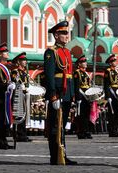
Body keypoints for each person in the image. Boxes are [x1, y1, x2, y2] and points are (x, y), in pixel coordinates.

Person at [44, 21, 77, 165]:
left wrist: (73, 94)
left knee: (62, 126)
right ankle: (55, 156)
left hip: (67, 92)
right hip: (57, 93)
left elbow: (70, 74)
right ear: (56, 35)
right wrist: (52, 95)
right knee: (55, 126)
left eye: (67, 32)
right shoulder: (51, 52)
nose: (66, 35)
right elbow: (49, 76)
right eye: (63, 33)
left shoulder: (67, 52)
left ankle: (62, 153)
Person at [0, 43, 15, 149]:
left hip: (6, 98)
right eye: (5, 52)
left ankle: (4, 141)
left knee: (5, 121)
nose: (7, 53)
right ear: (0, 54)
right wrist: (7, 85)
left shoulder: (6, 67)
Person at [10, 51, 31, 142]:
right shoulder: (15, 71)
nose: (25, 62)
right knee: (18, 114)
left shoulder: (24, 73)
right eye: (23, 60)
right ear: (18, 61)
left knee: (24, 114)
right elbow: (14, 82)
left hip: (25, 95)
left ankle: (23, 133)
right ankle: (17, 134)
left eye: (25, 60)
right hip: (18, 96)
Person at [73, 55, 92, 139]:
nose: (86, 63)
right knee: (81, 115)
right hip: (81, 96)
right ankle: (80, 132)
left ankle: (86, 131)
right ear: (79, 64)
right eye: (84, 62)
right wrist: (77, 98)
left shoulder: (85, 73)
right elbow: (76, 86)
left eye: (85, 62)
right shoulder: (77, 73)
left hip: (87, 97)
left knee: (87, 114)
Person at [103, 54, 118, 137]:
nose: (116, 62)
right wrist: (108, 97)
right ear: (110, 63)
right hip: (111, 94)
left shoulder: (116, 71)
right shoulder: (108, 71)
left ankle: (116, 130)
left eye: (115, 60)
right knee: (112, 114)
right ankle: (112, 131)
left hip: (117, 94)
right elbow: (106, 85)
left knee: (117, 113)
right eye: (114, 61)